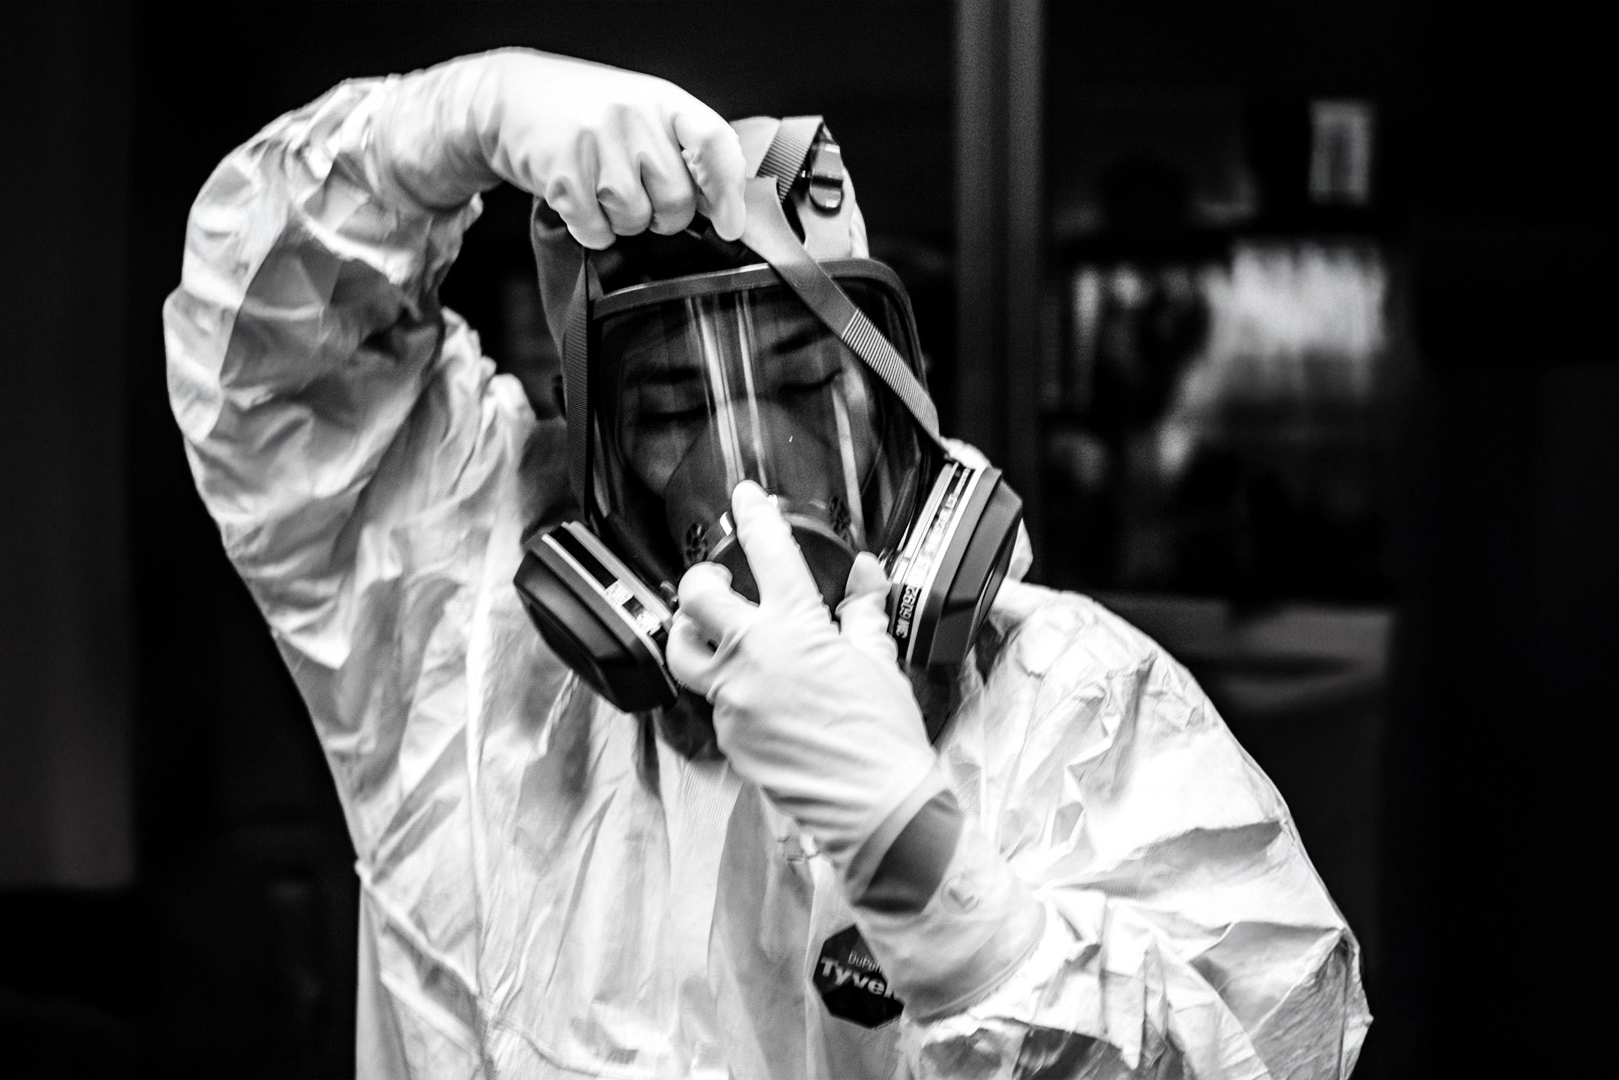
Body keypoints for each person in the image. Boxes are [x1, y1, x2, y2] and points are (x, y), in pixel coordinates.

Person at [163, 48, 1369, 1079]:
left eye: (800, 383)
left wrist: (939, 888)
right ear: (600, 454)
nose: (746, 467)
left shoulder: (1074, 705)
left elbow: (1276, 1045)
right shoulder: (471, 646)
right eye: (672, 407)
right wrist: (466, 115)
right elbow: (266, 365)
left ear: (891, 401)